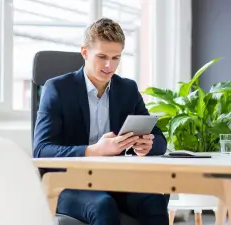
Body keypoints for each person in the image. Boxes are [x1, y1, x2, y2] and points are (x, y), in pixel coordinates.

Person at [33, 17, 169, 225]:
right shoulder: (57, 89)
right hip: (69, 183)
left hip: (115, 179)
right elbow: (41, 150)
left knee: (154, 201)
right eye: (102, 57)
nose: (109, 66)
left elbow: (160, 139)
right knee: (102, 205)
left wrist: (147, 146)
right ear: (85, 53)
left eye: (116, 58)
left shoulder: (128, 89)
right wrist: (94, 150)